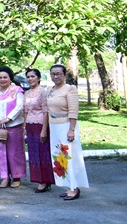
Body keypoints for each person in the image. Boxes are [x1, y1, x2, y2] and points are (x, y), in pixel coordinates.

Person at [47, 64, 89, 200]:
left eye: (59, 73)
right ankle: (67, 185)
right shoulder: (49, 90)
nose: (56, 76)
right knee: (59, 158)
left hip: (66, 127)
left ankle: (74, 188)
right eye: (53, 73)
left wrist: (71, 129)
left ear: (64, 75)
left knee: (69, 156)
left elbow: (73, 111)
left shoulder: (70, 89)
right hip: (54, 127)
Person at [0, 66, 26, 189]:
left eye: (5, 77)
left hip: (13, 126)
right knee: (0, 152)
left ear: (10, 78)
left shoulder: (16, 90)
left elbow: (20, 106)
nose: (2, 80)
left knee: (14, 152)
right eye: (0, 77)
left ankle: (16, 177)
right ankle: (4, 177)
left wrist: (8, 118)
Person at [24, 69, 55, 193]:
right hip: (30, 126)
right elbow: (25, 112)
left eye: (33, 76)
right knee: (33, 154)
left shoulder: (43, 92)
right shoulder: (26, 93)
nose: (30, 79)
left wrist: (44, 130)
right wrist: (24, 128)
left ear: (39, 78)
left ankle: (45, 181)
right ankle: (38, 179)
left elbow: (46, 111)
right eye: (28, 77)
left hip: (40, 125)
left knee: (43, 153)